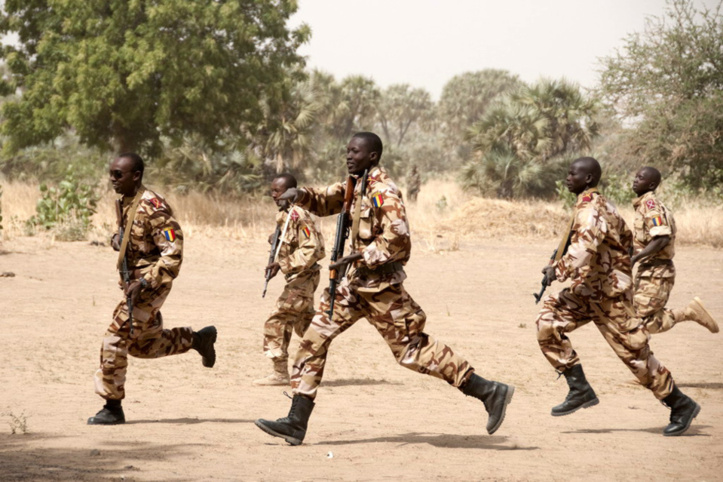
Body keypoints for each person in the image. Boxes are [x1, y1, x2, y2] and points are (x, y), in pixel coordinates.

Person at [255, 132, 514, 445]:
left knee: (411, 351)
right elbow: (326, 200)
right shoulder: (354, 184)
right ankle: (296, 421)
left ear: (373, 156)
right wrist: (300, 195)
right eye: (347, 150)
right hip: (352, 286)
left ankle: (488, 390)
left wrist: (360, 254)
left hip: (381, 288)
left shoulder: (384, 190)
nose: (349, 156)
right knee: (313, 338)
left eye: (356, 152)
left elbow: (398, 239)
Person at [535, 157, 701, 436]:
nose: (567, 178)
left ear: (588, 179)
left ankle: (680, 403)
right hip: (589, 288)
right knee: (547, 321)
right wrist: (556, 262)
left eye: (572, 174)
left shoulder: (592, 208)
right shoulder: (591, 205)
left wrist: (558, 270)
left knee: (635, 356)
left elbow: (584, 247)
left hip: (610, 294)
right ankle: (579, 388)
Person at [88, 153, 217, 425]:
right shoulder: (126, 203)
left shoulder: (153, 207)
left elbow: (173, 255)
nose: (112, 179)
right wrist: (117, 241)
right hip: (134, 284)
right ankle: (196, 340)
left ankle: (112, 407)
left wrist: (145, 282)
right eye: (111, 173)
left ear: (136, 175)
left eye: (118, 175)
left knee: (114, 338)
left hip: (151, 285)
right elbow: (136, 241)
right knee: (143, 346)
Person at [254, 173, 325, 386]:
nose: (274, 195)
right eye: (273, 191)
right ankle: (312, 366)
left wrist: (281, 264)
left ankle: (280, 373)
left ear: (291, 192)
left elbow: (313, 249)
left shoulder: (298, 215)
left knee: (277, 320)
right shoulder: (284, 215)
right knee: (306, 325)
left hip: (303, 279)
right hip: (298, 278)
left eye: (278, 191)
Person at [631, 166, 718, 335]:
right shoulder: (643, 205)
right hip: (649, 269)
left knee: (640, 324)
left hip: (657, 272)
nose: (635, 180)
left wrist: (636, 258)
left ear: (651, 185)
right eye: (635, 177)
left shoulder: (651, 205)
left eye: (640, 178)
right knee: (635, 320)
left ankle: (688, 313)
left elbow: (662, 238)